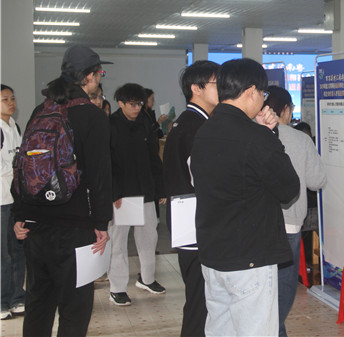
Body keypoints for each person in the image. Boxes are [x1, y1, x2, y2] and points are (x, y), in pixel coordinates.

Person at [191, 58, 300, 336]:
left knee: (220, 329)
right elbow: (289, 188)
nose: (263, 100)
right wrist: (270, 135)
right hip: (250, 258)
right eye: (263, 93)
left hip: (214, 254)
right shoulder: (256, 137)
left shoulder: (204, 132)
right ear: (251, 91)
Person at [13, 45, 113, 336]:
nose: (100, 77)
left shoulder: (40, 111)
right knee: (75, 308)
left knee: (38, 303)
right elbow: (100, 176)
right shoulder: (93, 116)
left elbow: (23, 165)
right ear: (89, 77)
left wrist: (20, 215)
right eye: (100, 73)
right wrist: (101, 223)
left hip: (36, 226)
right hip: (75, 228)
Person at [162, 60, 220, 337]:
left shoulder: (187, 123)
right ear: (196, 89)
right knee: (200, 302)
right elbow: (206, 180)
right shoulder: (196, 127)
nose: (223, 89)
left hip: (187, 220)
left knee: (199, 299)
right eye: (217, 83)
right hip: (196, 222)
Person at [264, 85, 327, 337]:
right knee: (284, 287)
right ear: (286, 110)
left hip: (258, 224)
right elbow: (317, 181)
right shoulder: (301, 139)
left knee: (261, 289)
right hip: (289, 224)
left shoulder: (251, 134)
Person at [107, 83, 166, 307]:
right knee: (119, 243)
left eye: (139, 104)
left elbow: (154, 158)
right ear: (120, 103)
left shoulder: (145, 123)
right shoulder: (111, 125)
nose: (136, 108)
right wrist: (114, 192)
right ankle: (117, 288)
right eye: (132, 104)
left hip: (146, 191)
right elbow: (107, 163)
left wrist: (160, 189)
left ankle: (147, 279)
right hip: (123, 195)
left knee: (149, 238)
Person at [1, 84, 25, 320]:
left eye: (12, 98)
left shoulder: (14, 126)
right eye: (5, 99)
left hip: (16, 199)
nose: (11, 102)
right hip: (1, 200)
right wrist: (14, 168)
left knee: (18, 249)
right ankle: (2, 301)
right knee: (3, 254)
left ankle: (18, 297)